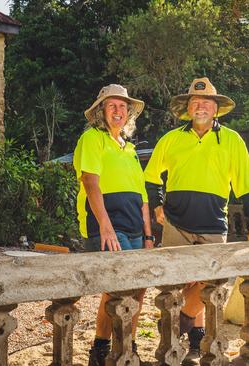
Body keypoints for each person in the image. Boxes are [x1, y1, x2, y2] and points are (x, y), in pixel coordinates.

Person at [144, 77, 249, 365]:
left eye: (206, 102)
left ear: (216, 109)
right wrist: (156, 205)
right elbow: (151, 177)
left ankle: (184, 321)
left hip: (214, 225)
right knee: (175, 285)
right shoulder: (170, 139)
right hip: (176, 224)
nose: (200, 106)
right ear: (188, 108)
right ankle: (190, 342)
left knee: (209, 282)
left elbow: (247, 185)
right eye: (195, 102)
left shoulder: (232, 140)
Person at [73, 84, 155, 366]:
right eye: (112, 106)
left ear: (128, 112)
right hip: (107, 226)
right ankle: (101, 348)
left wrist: (148, 235)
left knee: (140, 287)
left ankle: (126, 343)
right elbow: (90, 183)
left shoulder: (130, 149)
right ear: (101, 112)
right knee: (118, 287)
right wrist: (105, 226)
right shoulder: (92, 139)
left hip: (135, 228)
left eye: (122, 106)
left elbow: (142, 196)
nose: (118, 110)